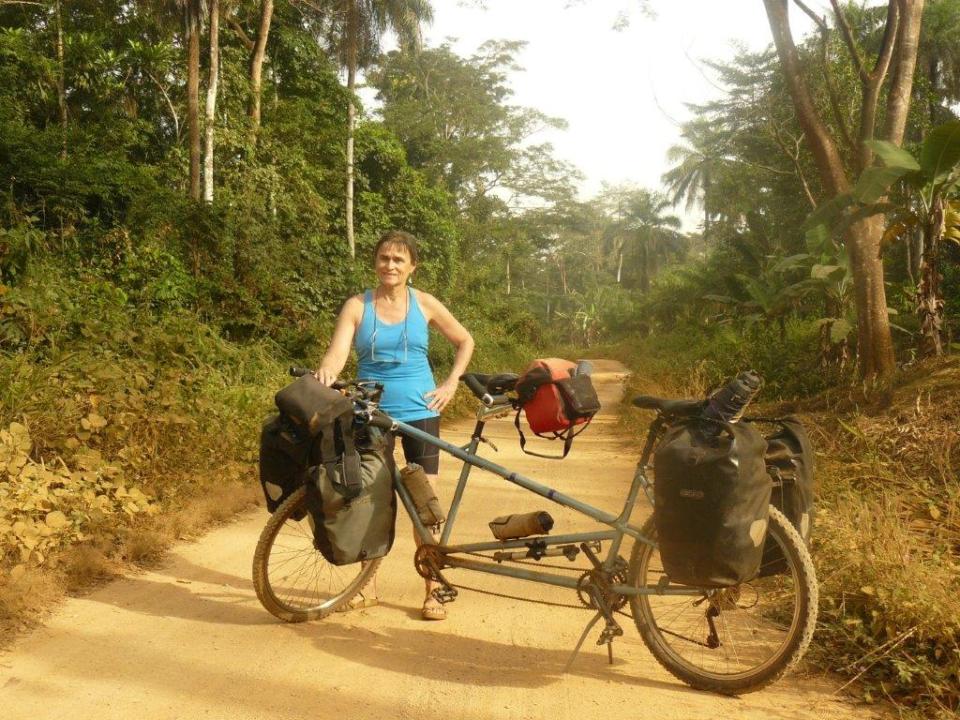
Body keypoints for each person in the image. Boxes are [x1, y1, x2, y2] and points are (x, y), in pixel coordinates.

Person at [314, 230, 474, 620]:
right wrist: (325, 373)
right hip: (371, 415)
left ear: (412, 267)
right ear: (375, 262)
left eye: (399, 260)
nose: (390, 265)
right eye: (384, 258)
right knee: (370, 499)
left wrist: (451, 384)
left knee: (424, 504)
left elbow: (465, 340)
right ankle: (365, 588)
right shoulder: (357, 306)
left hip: (420, 411)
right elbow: (337, 354)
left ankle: (433, 590)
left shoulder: (425, 304)